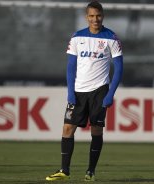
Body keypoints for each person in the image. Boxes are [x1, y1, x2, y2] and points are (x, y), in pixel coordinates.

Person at [46, 1, 123, 182]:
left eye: (98, 15)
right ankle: (64, 170)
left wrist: (110, 94)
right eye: (91, 16)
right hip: (79, 91)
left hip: (99, 90)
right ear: (86, 17)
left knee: (96, 130)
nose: (95, 19)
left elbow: (119, 68)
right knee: (67, 128)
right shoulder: (77, 37)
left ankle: (90, 171)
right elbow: (70, 68)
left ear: (102, 16)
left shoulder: (111, 38)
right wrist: (70, 92)